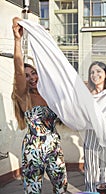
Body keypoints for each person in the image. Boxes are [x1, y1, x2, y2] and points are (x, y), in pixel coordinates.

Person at [11, 17, 68, 193]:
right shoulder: (22, 96)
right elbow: (19, 69)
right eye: (27, 76)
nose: (32, 77)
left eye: (33, 73)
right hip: (33, 149)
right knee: (33, 190)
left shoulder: (48, 93)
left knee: (61, 187)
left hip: (54, 147)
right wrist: (17, 40)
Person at [84, 61, 106, 193]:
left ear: (105, 74)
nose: (94, 75)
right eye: (92, 72)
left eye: (98, 71)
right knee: (91, 170)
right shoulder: (86, 95)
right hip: (91, 135)